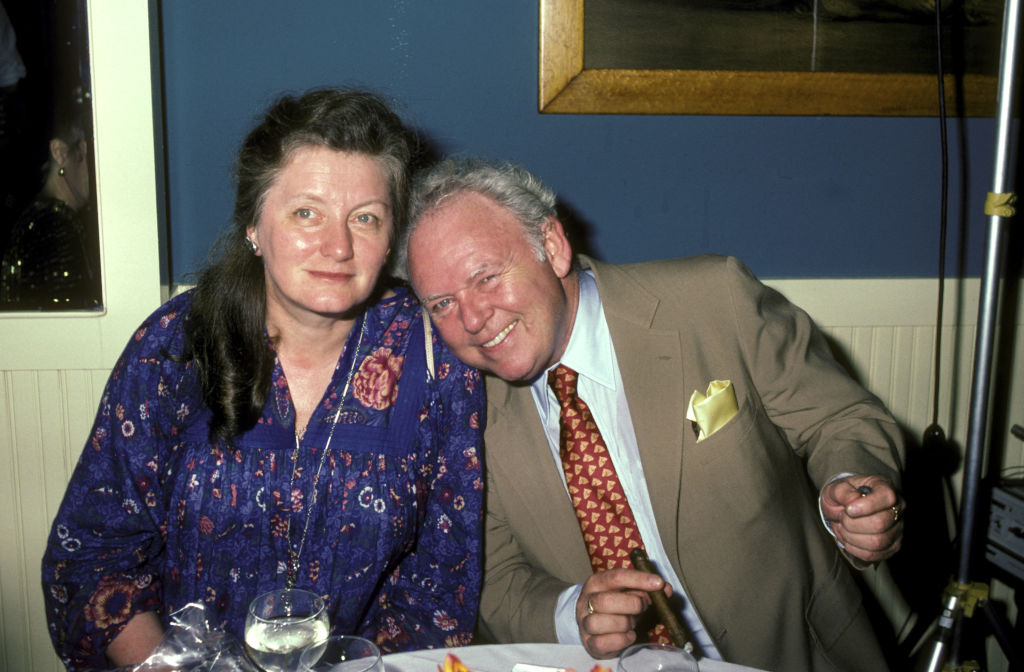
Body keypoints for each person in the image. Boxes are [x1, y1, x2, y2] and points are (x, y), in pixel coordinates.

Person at [395, 158, 906, 672]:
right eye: (441, 304)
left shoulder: (713, 299)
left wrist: (852, 487)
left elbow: (838, 419)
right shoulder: (462, 413)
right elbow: (493, 577)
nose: (473, 319)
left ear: (552, 246)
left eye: (485, 277)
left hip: (798, 655)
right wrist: (573, 613)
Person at [41, 89, 486, 670]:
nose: (338, 246)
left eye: (366, 218)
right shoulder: (175, 348)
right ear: (254, 223)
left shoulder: (432, 360)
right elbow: (94, 560)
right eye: (307, 212)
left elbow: (442, 585)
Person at [1, 101, 100, 310]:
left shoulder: (39, 217)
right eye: (89, 152)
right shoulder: (53, 225)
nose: (99, 165)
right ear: (60, 152)